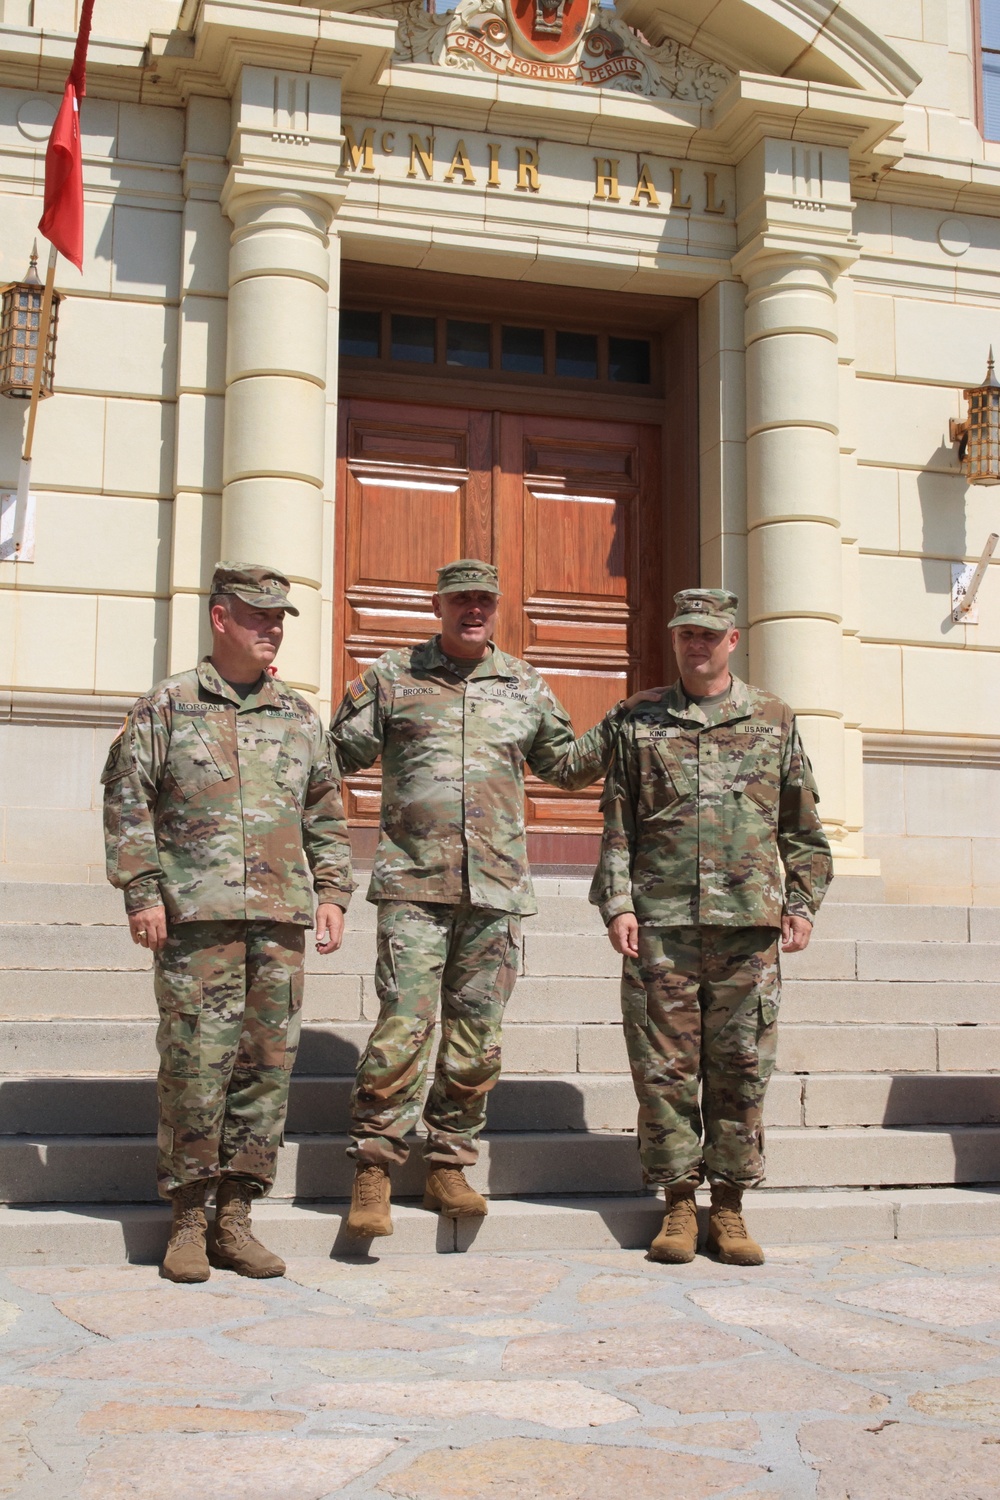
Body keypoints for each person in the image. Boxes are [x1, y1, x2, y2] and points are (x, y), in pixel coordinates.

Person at [329, 559, 653, 1237]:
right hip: (415, 883)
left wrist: (621, 721)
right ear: (438, 604)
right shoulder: (393, 677)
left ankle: (449, 1162)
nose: (473, 609)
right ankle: (373, 1169)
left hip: (496, 890)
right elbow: (337, 755)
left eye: (483, 599)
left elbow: (563, 766)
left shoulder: (524, 685)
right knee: (403, 1026)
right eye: (460, 599)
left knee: (478, 1039)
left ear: (496, 606)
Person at [101, 562, 354, 1282]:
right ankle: (186, 1219)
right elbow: (128, 803)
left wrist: (332, 892)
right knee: (194, 1068)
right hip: (196, 921)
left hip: (278, 921)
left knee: (266, 1072)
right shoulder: (169, 706)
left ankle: (236, 1217)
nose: (271, 628)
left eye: (278, 618)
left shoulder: (300, 716)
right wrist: (143, 891)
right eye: (257, 616)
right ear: (220, 619)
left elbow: (326, 813)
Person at [590, 588, 833, 1266]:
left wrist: (803, 901)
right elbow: (618, 823)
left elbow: (802, 825)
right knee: (663, 1074)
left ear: (732, 640)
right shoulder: (640, 720)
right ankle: (674, 1204)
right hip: (661, 925)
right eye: (686, 634)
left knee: (742, 1070)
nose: (696, 645)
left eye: (709, 635)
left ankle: (728, 1206)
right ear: (676, 640)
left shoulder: (774, 720)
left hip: (747, 929)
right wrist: (619, 903)